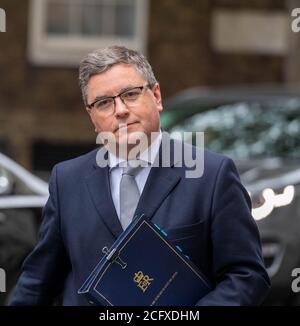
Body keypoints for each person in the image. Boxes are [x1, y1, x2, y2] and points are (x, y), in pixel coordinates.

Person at [10, 45, 270, 306]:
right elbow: (37, 281)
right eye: (104, 103)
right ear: (92, 117)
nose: (120, 110)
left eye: (131, 94)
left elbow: (246, 276)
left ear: (156, 96)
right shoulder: (66, 181)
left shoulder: (211, 176)